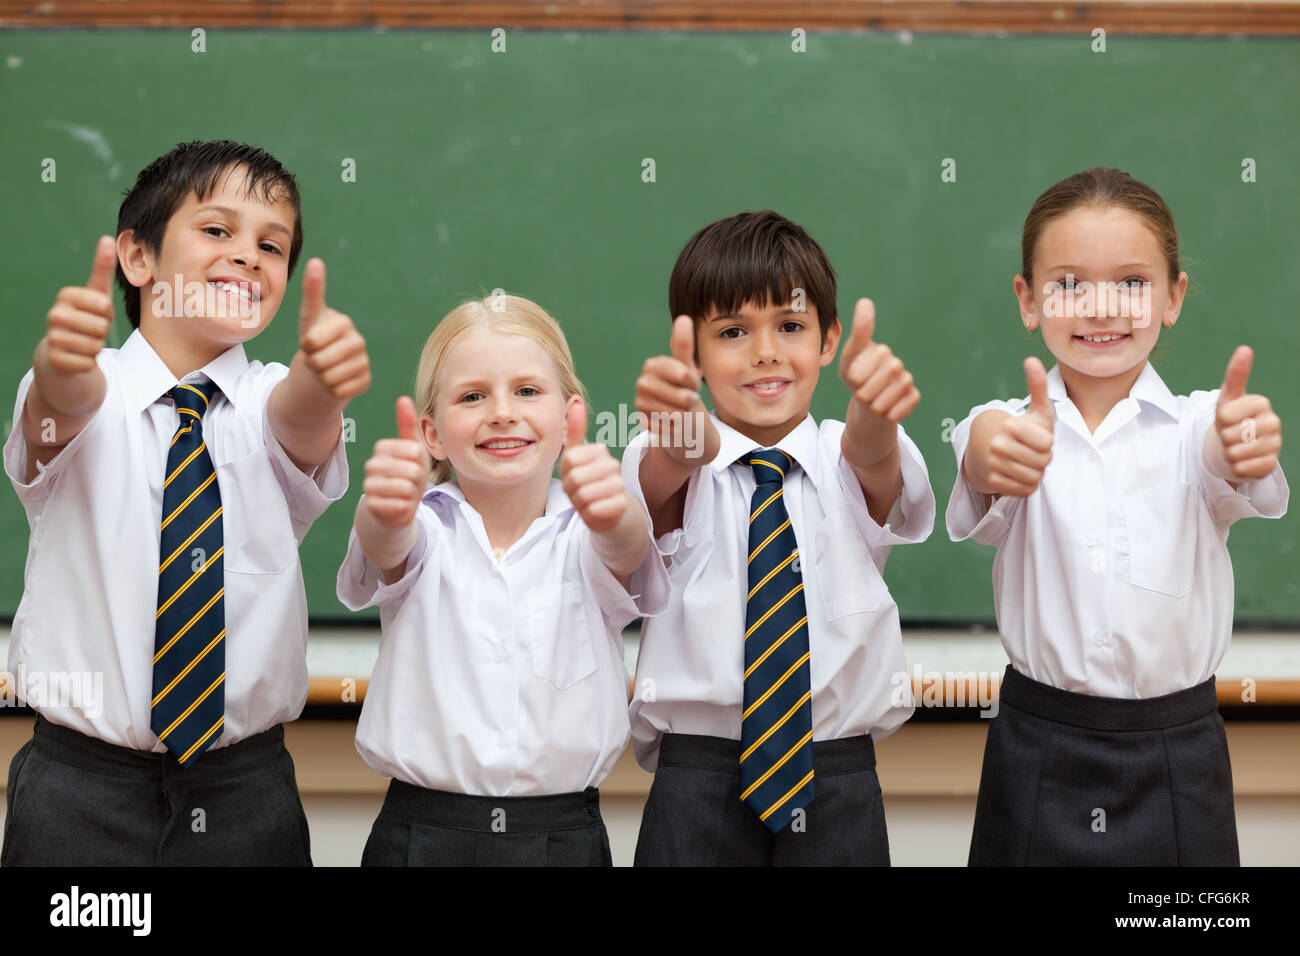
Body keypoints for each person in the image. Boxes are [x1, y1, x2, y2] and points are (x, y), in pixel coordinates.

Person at [2, 140, 368, 866]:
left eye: (272, 245)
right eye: (216, 230)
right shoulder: (88, 390)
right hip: (80, 788)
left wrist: (326, 383)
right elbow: (59, 407)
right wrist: (59, 363)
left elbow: (301, 417)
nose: (247, 255)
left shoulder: (268, 399)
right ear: (138, 260)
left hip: (244, 791)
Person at [948, 165, 1288, 865]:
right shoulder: (1005, 426)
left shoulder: (1200, 427)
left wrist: (1239, 446)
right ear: (1027, 299)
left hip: (1177, 755)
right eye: (1068, 283)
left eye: (1132, 282)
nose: (1100, 307)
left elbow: (1229, 459)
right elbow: (982, 455)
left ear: (1173, 297)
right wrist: (988, 457)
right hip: (1037, 745)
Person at [625, 210, 934, 865]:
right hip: (697, 781)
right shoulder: (671, 459)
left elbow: (876, 460)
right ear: (696, 354)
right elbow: (668, 471)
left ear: (829, 341)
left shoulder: (844, 457)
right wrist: (680, 430)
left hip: (837, 778)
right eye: (733, 331)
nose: (765, 352)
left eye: (789, 326)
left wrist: (875, 412)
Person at [337, 294, 668, 866]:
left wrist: (615, 512)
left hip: (562, 838)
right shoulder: (420, 526)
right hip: (420, 833)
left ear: (571, 419)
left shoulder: (588, 534)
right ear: (432, 434)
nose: (501, 412)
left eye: (527, 391)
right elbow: (386, 547)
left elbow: (627, 548)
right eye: (471, 397)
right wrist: (383, 511)